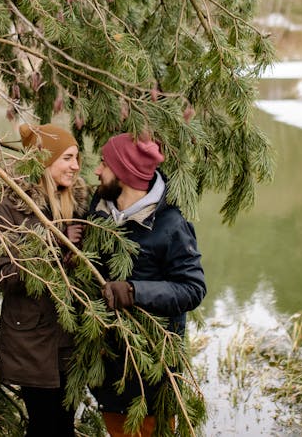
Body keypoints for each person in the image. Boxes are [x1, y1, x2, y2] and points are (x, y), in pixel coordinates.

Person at [89, 133, 206, 437]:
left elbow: (192, 288)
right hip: (110, 368)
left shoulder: (170, 226)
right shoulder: (99, 208)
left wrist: (134, 291)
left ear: (125, 175)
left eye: (104, 164)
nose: (97, 171)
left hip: (149, 378)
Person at [0, 123, 88, 437]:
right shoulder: (11, 209)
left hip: (71, 338)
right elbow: (5, 275)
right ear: (45, 161)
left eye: (77, 158)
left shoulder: (81, 207)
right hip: (32, 341)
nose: (76, 166)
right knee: (44, 426)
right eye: (67, 158)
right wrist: (54, 249)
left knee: (65, 425)